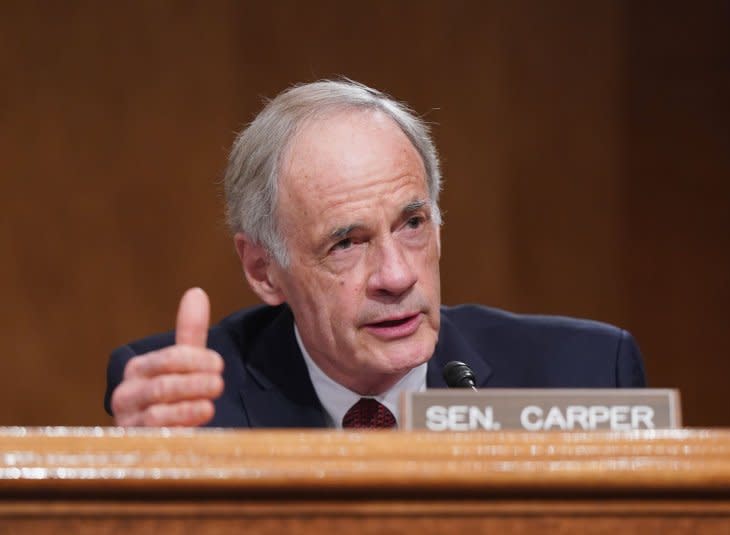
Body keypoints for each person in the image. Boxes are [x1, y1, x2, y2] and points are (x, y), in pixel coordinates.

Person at [105, 79, 646, 428]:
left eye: (412, 224)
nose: (396, 275)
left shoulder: (588, 377)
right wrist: (144, 483)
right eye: (346, 243)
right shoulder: (188, 408)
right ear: (262, 269)